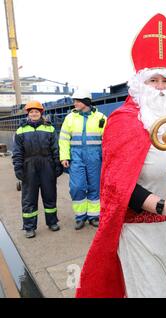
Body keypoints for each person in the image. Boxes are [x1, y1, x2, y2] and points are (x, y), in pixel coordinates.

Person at [75, 13, 166, 298]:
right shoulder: (123, 121)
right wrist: (161, 206)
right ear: (140, 82)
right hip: (143, 233)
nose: (161, 87)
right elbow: (116, 184)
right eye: (154, 80)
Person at [12, 101, 63, 238]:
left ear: (41, 113)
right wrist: (18, 167)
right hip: (28, 166)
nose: (34, 114)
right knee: (29, 198)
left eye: (36, 111)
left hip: (47, 164)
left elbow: (55, 149)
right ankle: (29, 227)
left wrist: (57, 164)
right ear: (28, 114)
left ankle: (52, 222)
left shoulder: (49, 128)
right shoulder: (21, 130)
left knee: (50, 195)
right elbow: (17, 151)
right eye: (31, 112)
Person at [59, 89, 107, 230]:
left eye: (77, 101)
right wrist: (64, 157)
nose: (74, 103)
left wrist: (106, 157)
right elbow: (63, 139)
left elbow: (107, 139)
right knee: (77, 187)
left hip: (95, 157)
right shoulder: (70, 118)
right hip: (76, 157)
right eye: (74, 101)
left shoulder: (101, 118)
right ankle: (80, 217)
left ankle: (93, 216)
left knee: (95, 187)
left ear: (85, 102)